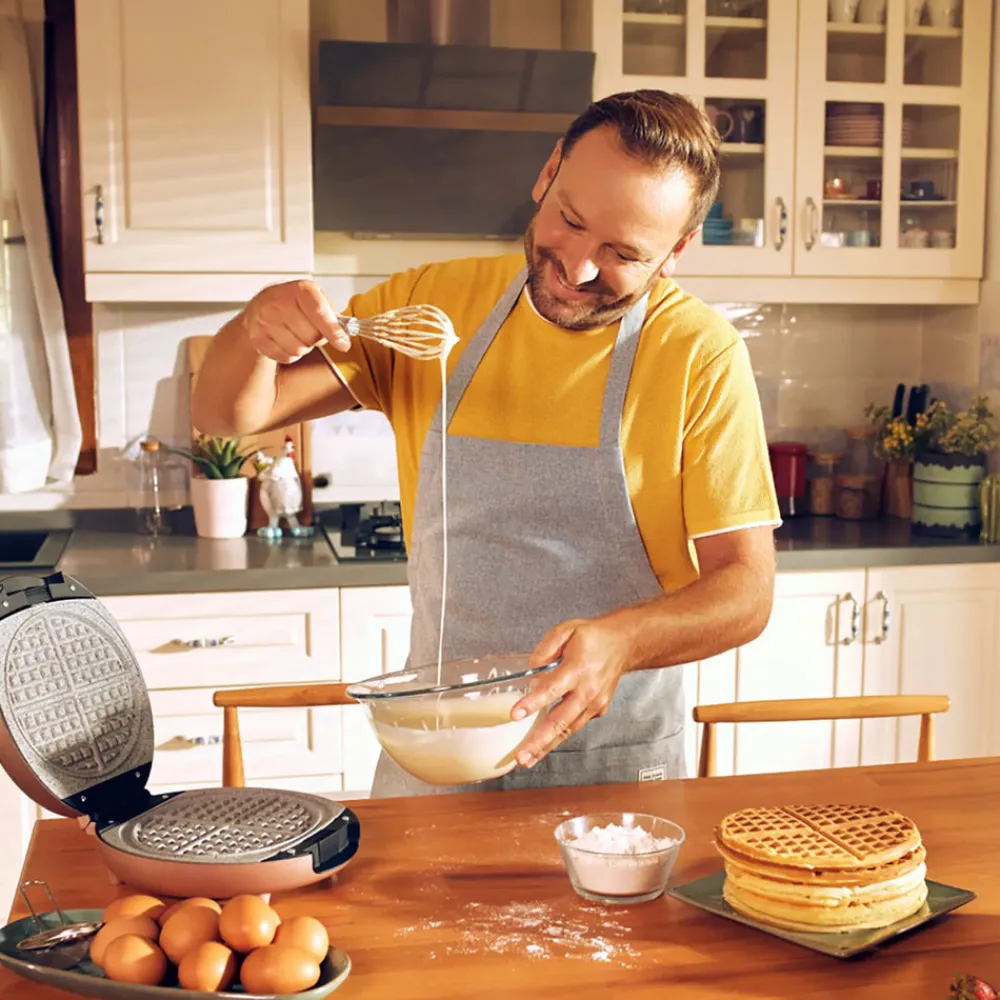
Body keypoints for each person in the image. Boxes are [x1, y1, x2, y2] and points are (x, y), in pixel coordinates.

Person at [192, 88, 781, 797]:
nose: (580, 268)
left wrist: (621, 641)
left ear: (680, 249)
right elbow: (225, 411)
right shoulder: (434, 309)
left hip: (610, 765)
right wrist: (257, 331)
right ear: (548, 173)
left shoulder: (698, 354)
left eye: (624, 253)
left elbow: (746, 591)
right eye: (569, 220)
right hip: (439, 750)